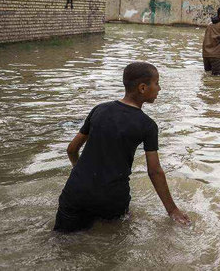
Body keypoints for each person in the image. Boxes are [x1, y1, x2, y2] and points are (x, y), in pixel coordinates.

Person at [53, 62, 190, 232]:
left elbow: (72, 149)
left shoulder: (99, 110)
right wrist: (173, 210)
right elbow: (154, 171)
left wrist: (81, 174)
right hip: (111, 199)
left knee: (61, 243)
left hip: (75, 192)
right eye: (156, 83)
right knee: (110, 250)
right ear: (142, 88)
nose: (159, 89)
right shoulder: (147, 126)